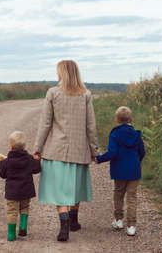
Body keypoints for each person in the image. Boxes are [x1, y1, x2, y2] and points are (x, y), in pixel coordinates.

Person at [33, 60, 99, 242]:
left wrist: (37, 149)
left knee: (60, 190)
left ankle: (64, 227)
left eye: (58, 72)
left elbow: (45, 124)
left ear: (62, 74)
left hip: (56, 150)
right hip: (79, 150)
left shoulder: (53, 93)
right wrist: (94, 150)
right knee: (76, 186)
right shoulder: (86, 94)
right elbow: (90, 126)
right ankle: (74, 221)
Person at [96, 106, 146, 236]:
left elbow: (112, 152)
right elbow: (142, 152)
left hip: (119, 169)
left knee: (118, 194)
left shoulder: (115, 133)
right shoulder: (136, 134)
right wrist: (136, 162)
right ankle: (131, 225)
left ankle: (118, 220)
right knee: (132, 197)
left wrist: (99, 159)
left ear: (116, 120)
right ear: (131, 119)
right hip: (134, 170)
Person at [0, 131, 41, 241]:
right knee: (24, 207)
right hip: (26, 190)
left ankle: (11, 234)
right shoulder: (29, 159)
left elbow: (2, 174)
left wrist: (0, 162)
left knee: (12, 211)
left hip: (12, 192)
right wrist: (37, 160)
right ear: (24, 146)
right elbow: (37, 169)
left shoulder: (6, 162)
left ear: (10, 146)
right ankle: (23, 227)